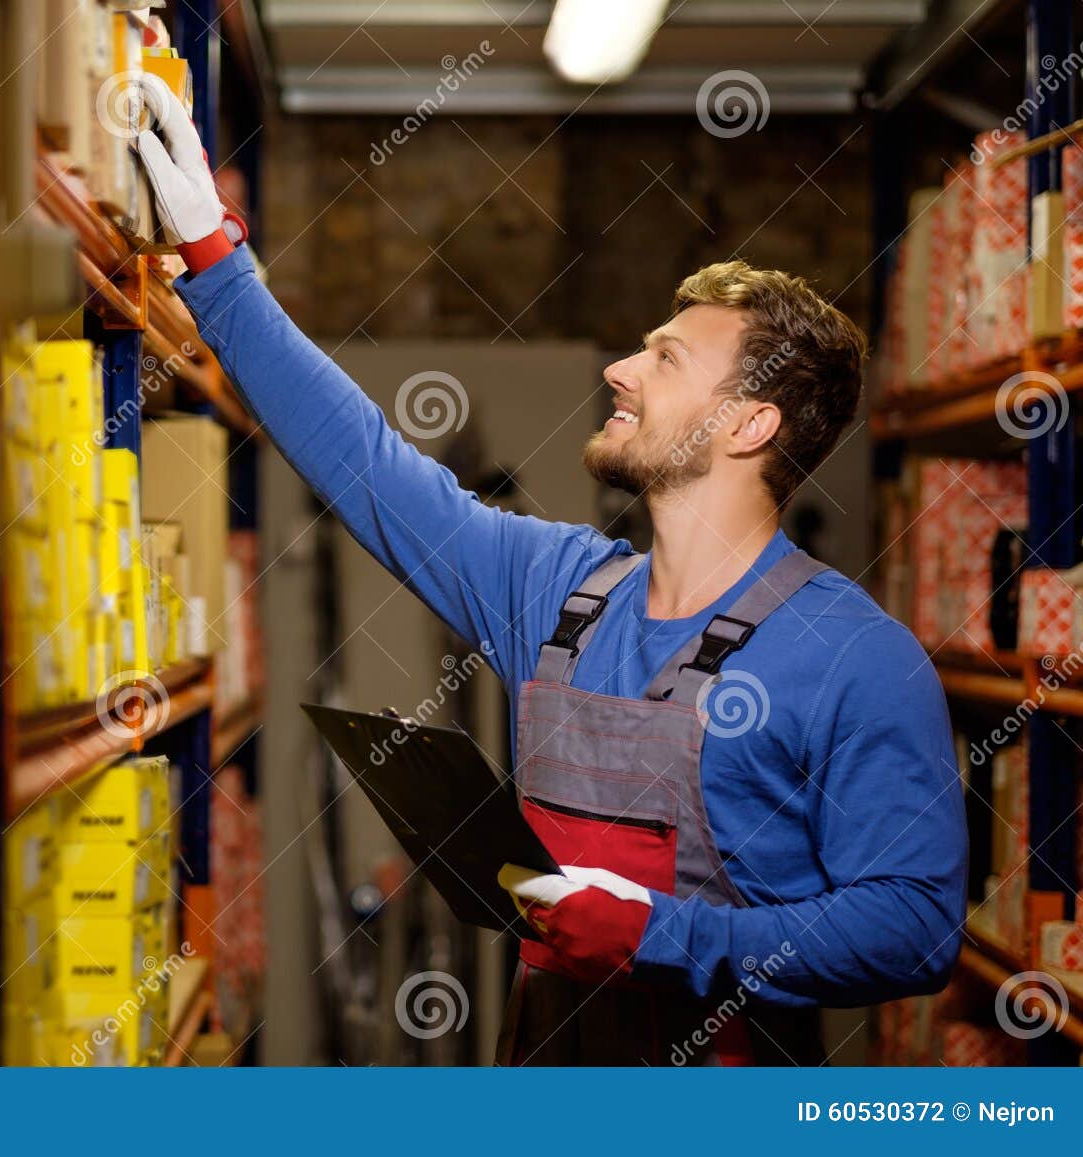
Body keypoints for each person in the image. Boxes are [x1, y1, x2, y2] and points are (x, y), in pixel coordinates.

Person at [132, 76, 967, 1065]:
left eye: (663, 360)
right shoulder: (560, 592)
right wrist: (214, 262)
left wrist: (660, 933)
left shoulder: (853, 655)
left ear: (749, 424)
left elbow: (912, 926)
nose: (621, 368)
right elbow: (363, 463)